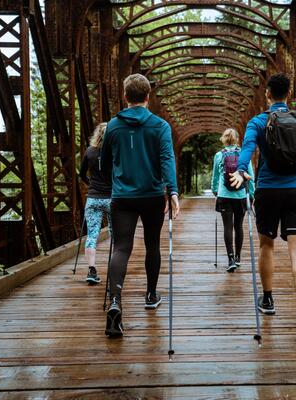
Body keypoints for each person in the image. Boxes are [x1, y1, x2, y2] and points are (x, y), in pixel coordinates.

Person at [230, 73, 296, 343]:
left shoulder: (258, 122)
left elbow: (246, 150)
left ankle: (268, 299)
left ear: (267, 94)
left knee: (266, 246)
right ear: (289, 93)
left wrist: (241, 170)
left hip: (268, 191)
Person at [100, 73, 180, 338]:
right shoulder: (160, 126)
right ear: (148, 97)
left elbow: (103, 162)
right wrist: (173, 192)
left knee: (121, 247)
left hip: (122, 196)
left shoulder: (113, 126)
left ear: (126, 97)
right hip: (152, 195)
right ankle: (151, 294)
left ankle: (115, 302)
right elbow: (167, 159)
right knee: (152, 245)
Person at [211, 128, 255, 272]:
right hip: (241, 195)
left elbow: (216, 176)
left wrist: (214, 190)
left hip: (224, 195)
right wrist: (252, 193)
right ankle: (238, 257)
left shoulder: (219, 155)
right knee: (239, 226)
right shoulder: (243, 154)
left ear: (224, 139)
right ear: (237, 139)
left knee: (227, 227)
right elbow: (250, 175)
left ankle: (230, 259)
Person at [79, 122, 112, 285]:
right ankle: (115, 269)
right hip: (112, 199)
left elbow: (81, 174)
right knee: (115, 234)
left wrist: (91, 184)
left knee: (92, 235)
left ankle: (92, 270)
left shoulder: (89, 152)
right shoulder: (114, 152)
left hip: (93, 198)